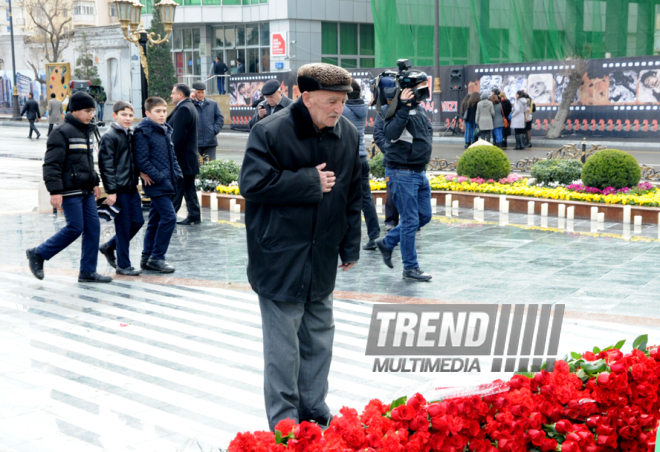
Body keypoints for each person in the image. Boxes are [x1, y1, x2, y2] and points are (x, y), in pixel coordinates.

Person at [239, 63, 361, 431]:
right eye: (330, 101)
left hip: (321, 254)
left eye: (342, 102)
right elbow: (252, 184)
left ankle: (313, 405)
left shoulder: (349, 134)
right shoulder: (270, 131)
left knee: (320, 337)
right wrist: (309, 181)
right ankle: (285, 418)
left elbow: (353, 192)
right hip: (280, 256)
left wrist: (349, 246)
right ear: (306, 97)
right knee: (283, 348)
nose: (338, 109)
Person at [26, 92, 111, 283]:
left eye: (93, 110)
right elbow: (51, 164)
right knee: (75, 227)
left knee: (93, 228)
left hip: (86, 190)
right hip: (69, 190)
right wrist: (55, 191)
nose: (92, 114)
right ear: (75, 111)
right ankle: (38, 253)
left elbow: (87, 162)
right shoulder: (61, 132)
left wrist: (95, 182)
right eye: (87, 111)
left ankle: (87, 271)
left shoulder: (85, 130)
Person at [374, 71, 434, 282]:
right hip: (401, 172)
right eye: (419, 89)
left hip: (418, 171)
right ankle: (410, 267)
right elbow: (389, 134)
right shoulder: (392, 110)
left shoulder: (418, 109)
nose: (422, 93)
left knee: (424, 216)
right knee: (410, 221)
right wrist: (403, 107)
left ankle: (388, 242)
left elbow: (426, 132)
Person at [134, 97, 183, 273]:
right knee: (169, 218)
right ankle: (158, 257)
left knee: (155, 220)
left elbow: (172, 156)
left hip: (168, 182)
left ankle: (147, 256)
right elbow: (142, 161)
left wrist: (177, 174)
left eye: (164, 111)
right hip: (157, 184)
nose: (162, 114)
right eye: (158, 111)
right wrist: (161, 178)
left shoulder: (164, 130)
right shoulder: (143, 132)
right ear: (148, 113)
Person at [97, 101, 145, 276]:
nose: (128, 118)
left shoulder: (131, 134)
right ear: (114, 115)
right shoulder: (110, 136)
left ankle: (109, 246)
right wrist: (111, 191)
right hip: (119, 189)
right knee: (123, 227)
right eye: (124, 114)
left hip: (131, 187)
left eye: (131, 115)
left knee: (138, 221)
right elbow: (106, 165)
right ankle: (123, 265)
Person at [342, 78, 379, 250]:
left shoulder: (344, 111)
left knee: (342, 198)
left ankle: (344, 237)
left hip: (346, 159)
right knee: (366, 199)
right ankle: (374, 236)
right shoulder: (362, 108)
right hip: (362, 157)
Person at [167, 83, 201, 226]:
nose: (171, 95)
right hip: (188, 159)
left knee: (177, 189)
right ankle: (194, 215)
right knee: (189, 189)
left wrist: (171, 158)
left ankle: (168, 217)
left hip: (182, 159)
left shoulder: (184, 109)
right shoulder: (188, 106)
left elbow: (178, 138)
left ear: (181, 94)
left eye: (173, 93)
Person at [372, 76, 399, 231]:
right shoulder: (382, 111)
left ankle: (410, 221)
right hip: (391, 159)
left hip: (409, 159)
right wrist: (388, 150)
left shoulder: (407, 109)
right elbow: (378, 133)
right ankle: (391, 220)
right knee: (391, 191)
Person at [192, 81, 224, 161]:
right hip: (195, 142)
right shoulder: (190, 104)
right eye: (198, 92)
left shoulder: (212, 104)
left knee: (210, 166)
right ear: (194, 92)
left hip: (210, 142)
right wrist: (190, 100)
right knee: (196, 167)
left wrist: (214, 130)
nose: (200, 95)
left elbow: (220, 118)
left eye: (202, 92)